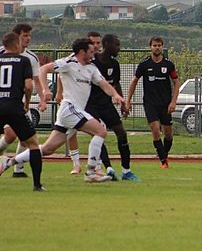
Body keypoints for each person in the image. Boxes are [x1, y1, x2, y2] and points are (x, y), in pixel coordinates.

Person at [4, 38, 125, 183]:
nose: (94, 55)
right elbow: (43, 69)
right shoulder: (68, 62)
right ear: (82, 52)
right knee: (100, 131)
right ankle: (91, 172)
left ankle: (9, 162)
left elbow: (104, 84)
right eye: (91, 52)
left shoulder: (91, 68)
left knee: (48, 149)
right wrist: (46, 90)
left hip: (72, 113)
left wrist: (115, 95)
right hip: (70, 108)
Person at [0, 23, 50, 178]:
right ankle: (6, 163)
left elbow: (36, 81)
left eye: (29, 36)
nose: (28, 39)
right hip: (14, 104)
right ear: (16, 38)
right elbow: (28, 85)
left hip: (17, 103)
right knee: (12, 136)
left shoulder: (31, 57)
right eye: (25, 36)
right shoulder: (6, 54)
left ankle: (18, 169)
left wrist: (42, 99)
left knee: (23, 139)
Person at [86, 34, 138, 181]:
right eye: (117, 45)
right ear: (107, 44)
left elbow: (116, 83)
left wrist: (122, 102)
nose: (119, 48)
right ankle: (108, 168)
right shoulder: (92, 62)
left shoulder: (114, 64)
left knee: (121, 133)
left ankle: (126, 171)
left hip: (106, 104)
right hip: (90, 105)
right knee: (99, 133)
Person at [127, 36, 179, 168]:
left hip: (165, 104)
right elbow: (134, 81)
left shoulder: (168, 64)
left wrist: (173, 102)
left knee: (168, 135)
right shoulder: (144, 64)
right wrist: (128, 100)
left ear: (162, 47)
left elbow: (176, 82)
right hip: (150, 103)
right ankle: (163, 161)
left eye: (159, 45)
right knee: (155, 129)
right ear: (150, 47)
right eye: (154, 45)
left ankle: (163, 154)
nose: (157, 48)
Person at [56, 31, 102, 175]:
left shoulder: (97, 60)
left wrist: (114, 95)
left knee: (98, 132)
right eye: (93, 43)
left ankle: (97, 166)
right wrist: (59, 92)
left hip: (90, 101)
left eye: (98, 43)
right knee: (87, 131)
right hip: (74, 103)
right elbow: (61, 74)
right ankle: (78, 165)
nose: (96, 46)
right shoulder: (73, 60)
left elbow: (103, 82)